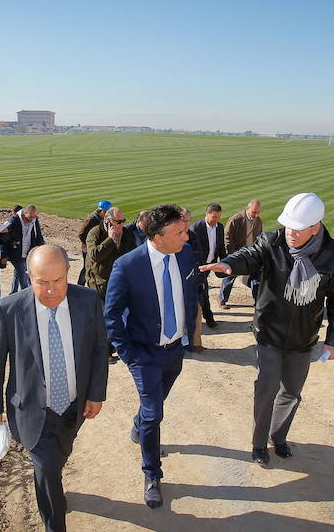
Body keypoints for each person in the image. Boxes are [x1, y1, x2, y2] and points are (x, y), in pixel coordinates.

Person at [202, 193, 334, 465]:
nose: (290, 232)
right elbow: (250, 255)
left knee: (292, 391)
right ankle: (259, 444)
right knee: (267, 388)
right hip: (270, 332)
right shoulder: (274, 241)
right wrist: (229, 265)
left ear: (315, 227)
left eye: (298, 227)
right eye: (288, 225)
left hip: (304, 338)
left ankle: (278, 437)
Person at [0, 245, 108, 532]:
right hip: (31, 410)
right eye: (42, 282)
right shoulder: (9, 310)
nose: (52, 290)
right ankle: (54, 523)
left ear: (67, 274)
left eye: (58, 281)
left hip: (73, 408)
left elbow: (100, 348)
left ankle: (52, 482)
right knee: (47, 468)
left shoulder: (88, 300)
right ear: (28, 277)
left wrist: (95, 394)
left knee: (58, 458)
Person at [105, 204, 199, 509]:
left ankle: (139, 423)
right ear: (157, 236)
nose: (186, 236)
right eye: (179, 232)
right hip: (143, 354)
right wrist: (128, 354)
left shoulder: (185, 255)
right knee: (154, 414)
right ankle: (152, 474)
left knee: (152, 407)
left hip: (175, 351)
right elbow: (112, 314)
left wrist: (187, 333)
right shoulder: (127, 265)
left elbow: (190, 294)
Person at [85, 207, 137, 363]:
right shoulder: (95, 232)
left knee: (117, 315)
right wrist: (110, 239)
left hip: (118, 282)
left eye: (123, 221)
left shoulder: (126, 233)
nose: (121, 225)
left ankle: (114, 347)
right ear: (108, 221)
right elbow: (95, 255)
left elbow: (132, 254)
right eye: (118, 222)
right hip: (99, 283)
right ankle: (103, 352)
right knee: (104, 318)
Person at [219, 200, 263, 309]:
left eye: (258, 212)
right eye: (253, 212)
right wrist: (232, 254)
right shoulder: (236, 219)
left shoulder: (258, 220)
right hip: (237, 254)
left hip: (252, 253)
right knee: (229, 278)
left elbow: (260, 236)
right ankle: (222, 300)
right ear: (247, 209)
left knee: (256, 278)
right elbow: (227, 237)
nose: (256, 215)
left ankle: (257, 302)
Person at [189, 203, 226, 334]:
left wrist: (224, 261)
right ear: (207, 214)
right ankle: (208, 318)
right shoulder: (195, 228)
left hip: (211, 264)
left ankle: (202, 316)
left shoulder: (220, 227)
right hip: (200, 266)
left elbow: (220, 246)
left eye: (218, 217)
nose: (216, 219)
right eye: (214, 217)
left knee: (201, 291)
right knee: (204, 291)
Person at [0, 205, 45, 294]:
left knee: (19, 273)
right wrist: (3, 255)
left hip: (28, 252)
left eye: (34, 216)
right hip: (16, 252)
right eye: (30, 216)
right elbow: (1, 237)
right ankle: (28, 297)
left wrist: (41, 248)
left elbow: (38, 235)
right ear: (25, 213)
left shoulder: (34, 220)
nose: (32, 219)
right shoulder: (13, 220)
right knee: (24, 279)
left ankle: (13, 293)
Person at [77, 200, 111, 285]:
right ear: (102, 211)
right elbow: (81, 234)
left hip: (96, 249)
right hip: (88, 249)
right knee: (86, 268)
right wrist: (90, 244)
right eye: (107, 212)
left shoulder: (101, 218)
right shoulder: (91, 219)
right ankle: (80, 285)